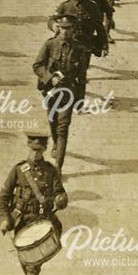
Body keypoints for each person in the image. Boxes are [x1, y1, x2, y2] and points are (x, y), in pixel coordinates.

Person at [0, 131, 68, 275]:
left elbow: (60, 192)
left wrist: (61, 199)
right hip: (22, 221)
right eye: (33, 150)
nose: (35, 154)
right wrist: (3, 219)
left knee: (32, 266)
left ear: (44, 150)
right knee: (27, 261)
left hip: (42, 220)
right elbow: (3, 197)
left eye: (39, 150)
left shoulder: (51, 171)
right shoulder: (19, 170)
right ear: (28, 148)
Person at [33, 14, 90, 172]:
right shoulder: (50, 45)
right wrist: (50, 78)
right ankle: (56, 143)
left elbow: (83, 77)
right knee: (53, 121)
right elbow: (37, 65)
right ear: (58, 28)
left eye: (68, 28)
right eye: (62, 28)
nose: (65, 32)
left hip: (69, 92)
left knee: (63, 127)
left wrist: (81, 100)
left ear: (73, 29)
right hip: (50, 91)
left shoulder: (79, 48)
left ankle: (58, 167)